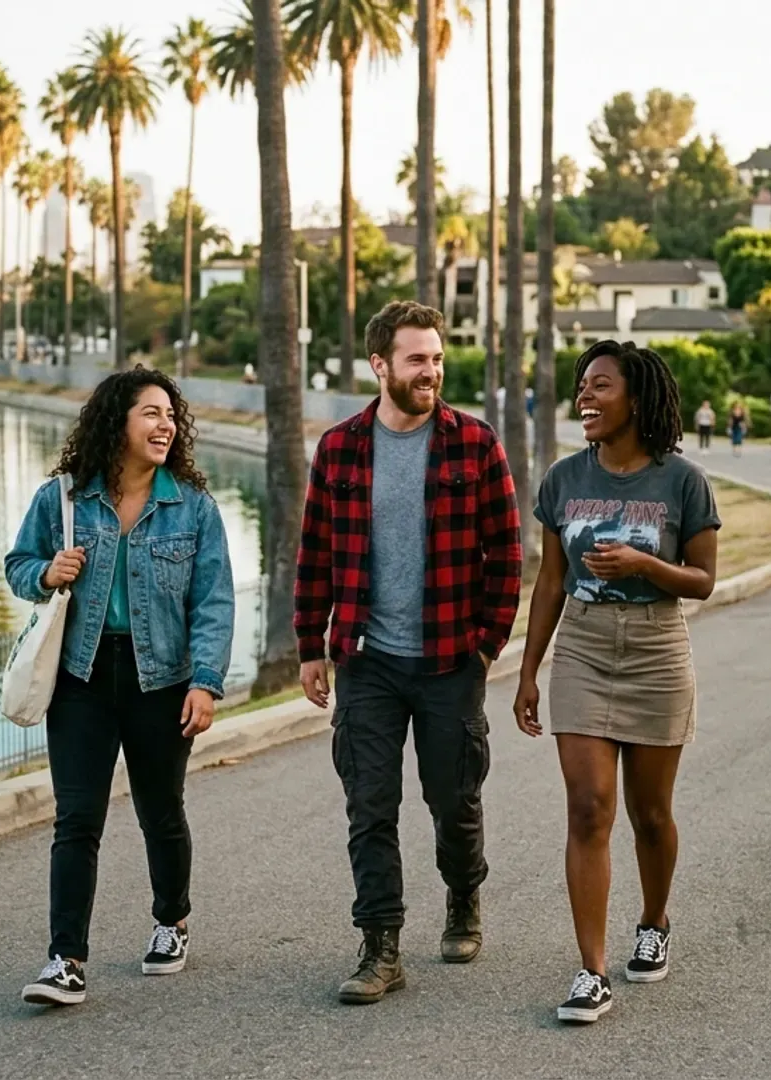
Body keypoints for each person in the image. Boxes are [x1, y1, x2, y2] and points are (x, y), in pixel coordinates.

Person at [296, 300, 523, 1005]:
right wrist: (312, 647)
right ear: (380, 365)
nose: (432, 371)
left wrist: (486, 644)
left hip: (451, 658)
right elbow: (313, 557)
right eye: (418, 359)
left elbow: (508, 553)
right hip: (367, 660)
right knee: (370, 805)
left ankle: (463, 895)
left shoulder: (475, 444)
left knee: (453, 800)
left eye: (437, 359)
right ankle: (381, 945)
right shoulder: (339, 449)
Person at [4, 369, 236, 1007]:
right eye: (150, 414)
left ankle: (172, 920)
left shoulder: (192, 506)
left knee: (160, 812)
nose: (165, 425)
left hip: (162, 681)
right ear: (117, 423)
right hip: (81, 679)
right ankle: (65, 960)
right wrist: (47, 571)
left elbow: (212, 603)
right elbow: (17, 565)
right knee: (77, 819)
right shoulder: (64, 499)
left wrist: (206, 685)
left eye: (170, 416)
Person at [514, 340, 721, 1025]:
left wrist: (641, 563)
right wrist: (528, 671)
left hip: (658, 651)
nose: (585, 399)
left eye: (600, 386)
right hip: (583, 646)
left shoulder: (682, 482)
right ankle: (591, 971)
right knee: (588, 809)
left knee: (650, 815)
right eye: (581, 388)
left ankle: (655, 920)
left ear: (637, 397)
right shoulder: (564, 479)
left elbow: (703, 580)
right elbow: (549, 580)